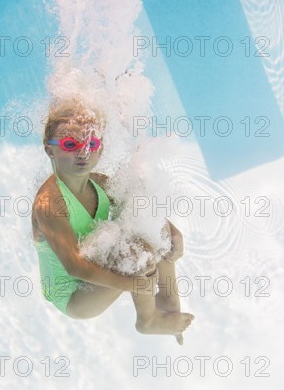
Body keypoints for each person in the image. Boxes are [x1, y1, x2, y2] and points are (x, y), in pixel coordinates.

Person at [32, 97, 194, 340]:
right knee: (137, 252)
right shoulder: (49, 204)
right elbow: (74, 266)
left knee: (156, 233)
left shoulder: (97, 183)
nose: (82, 153)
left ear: (101, 148)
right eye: (69, 144)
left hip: (94, 266)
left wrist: (172, 232)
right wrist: (132, 284)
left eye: (92, 143)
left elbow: (139, 206)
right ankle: (148, 320)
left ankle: (169, 304)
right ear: (49, 148)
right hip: (74, 295)